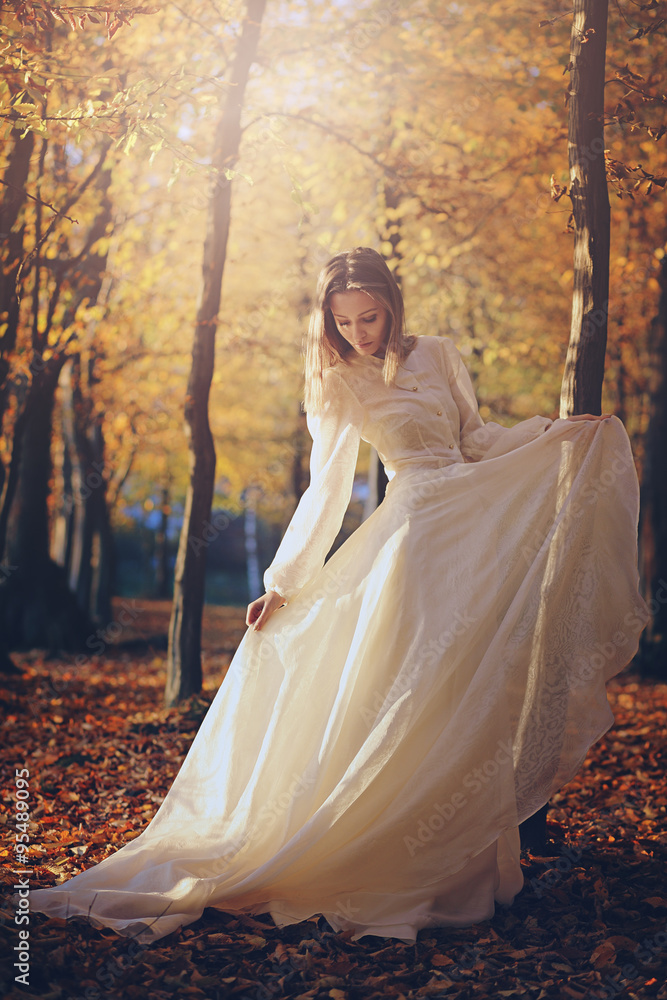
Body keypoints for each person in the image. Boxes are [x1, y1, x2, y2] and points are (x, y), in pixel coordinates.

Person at [28, 246, 649, 945]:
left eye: (370, 316)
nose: (359, 332)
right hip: (412, 543)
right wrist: (282, 583)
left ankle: (457, 864)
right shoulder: (337, 380)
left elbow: (475, 440)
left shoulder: (439, 355)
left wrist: (553, 435)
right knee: (413, 689)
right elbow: (323, 491)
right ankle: (386, 853)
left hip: (470, 531)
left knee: (462, 692)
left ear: (392, 304)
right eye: (344, 321)